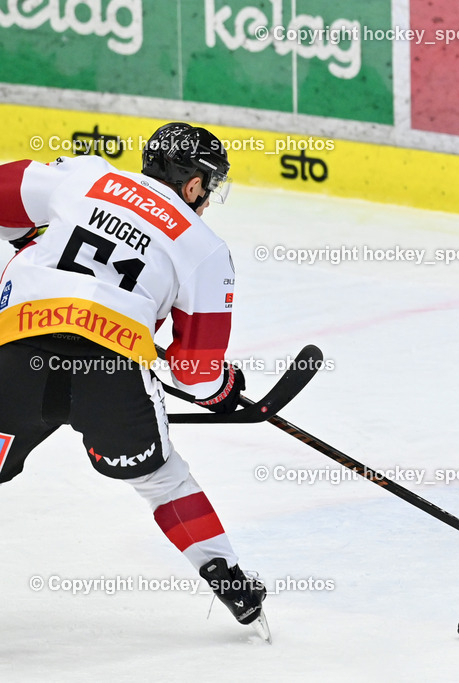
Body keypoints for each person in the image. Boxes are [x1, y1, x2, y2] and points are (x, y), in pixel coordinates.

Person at [0, 123, 268, 634]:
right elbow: (196, 372)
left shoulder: (83, 176)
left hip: (15, 355)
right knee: (161, 479)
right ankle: (231, 582)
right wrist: (222, 390)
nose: (206, 200)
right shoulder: (206, 247)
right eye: (207, 189)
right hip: (112, 373)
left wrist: (25, 244)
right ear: (193, 185)